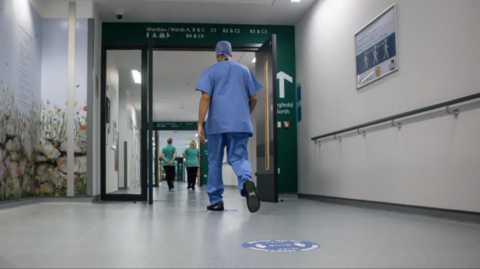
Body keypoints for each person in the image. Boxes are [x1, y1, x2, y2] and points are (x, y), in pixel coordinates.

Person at [196, 40, 263, 213]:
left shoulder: (210, 71)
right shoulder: (244, 71)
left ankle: (217, 201)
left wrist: (200, 125)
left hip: (217, 125)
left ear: (217, 55)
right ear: (230, 54)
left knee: (214, 162)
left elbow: (205, 98)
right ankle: (247, 181)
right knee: (238, 158)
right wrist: (245, 114)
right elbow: (254, 98)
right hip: (240, 124)